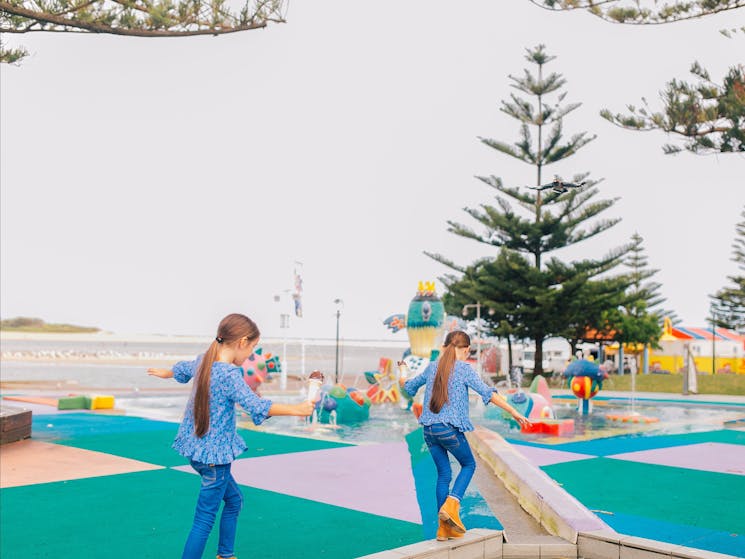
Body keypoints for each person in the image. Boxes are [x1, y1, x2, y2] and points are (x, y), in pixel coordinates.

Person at [147, 313, 313, 559]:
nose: (250, 355)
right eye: (253, 348)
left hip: (198, 453)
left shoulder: (204, 361)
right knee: (204, 520)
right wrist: (296, 409)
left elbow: (182, 367)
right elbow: (256, 406)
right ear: (242, 342)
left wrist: (166, 372)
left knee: (234, 501)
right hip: (215, 460)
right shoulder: (228, 375)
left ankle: (226, 555)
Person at [401, 330, 531, 542]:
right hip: (448, 429)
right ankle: (452, 505)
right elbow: (488, 393)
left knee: (444, 475)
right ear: (466, 350)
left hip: (429, 431)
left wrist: (403, 372)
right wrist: (515, 412)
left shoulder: (433, 367)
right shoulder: (464, 369)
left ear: (445, 347)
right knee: (469, 465)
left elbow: (408, 387)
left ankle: (443, 530)